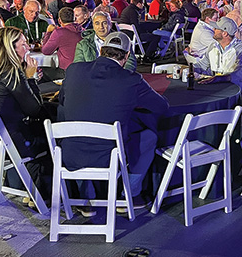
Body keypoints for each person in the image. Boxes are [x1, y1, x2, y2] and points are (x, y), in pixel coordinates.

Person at [60, 32, 169, 208]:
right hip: (108, 157)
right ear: (127, 56)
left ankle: (85, 196)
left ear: (101, 50)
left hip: (69, 154)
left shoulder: (74, 70)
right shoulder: (131, 80)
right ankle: (130, 193)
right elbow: (162, 107)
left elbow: (63, 101)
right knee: (148, 136)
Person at [0, 27, 50, 194]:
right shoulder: (11, 74)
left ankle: (23, 187)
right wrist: (30, 78)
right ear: (11, 48)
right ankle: (40, 192)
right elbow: (35, 110)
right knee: (51, 136)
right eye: (24, 44)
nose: (28, 48)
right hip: (2, 144)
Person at [197, 17, 242, 93]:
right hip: (218, 85)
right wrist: (187, 69)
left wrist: (220, 78)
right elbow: (202, 65)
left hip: (238, 89)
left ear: (225, 33)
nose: (213, 30)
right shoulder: (213, 45)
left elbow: (239, 73)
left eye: (216, 29)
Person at [41, 7, 83, 73]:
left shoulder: (59, 32)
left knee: (42, 72)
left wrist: (48, 32)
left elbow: (46, 51)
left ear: (59, 20)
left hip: (67, 71)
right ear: (74, 19)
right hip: (84, 69)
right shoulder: (83, 30)